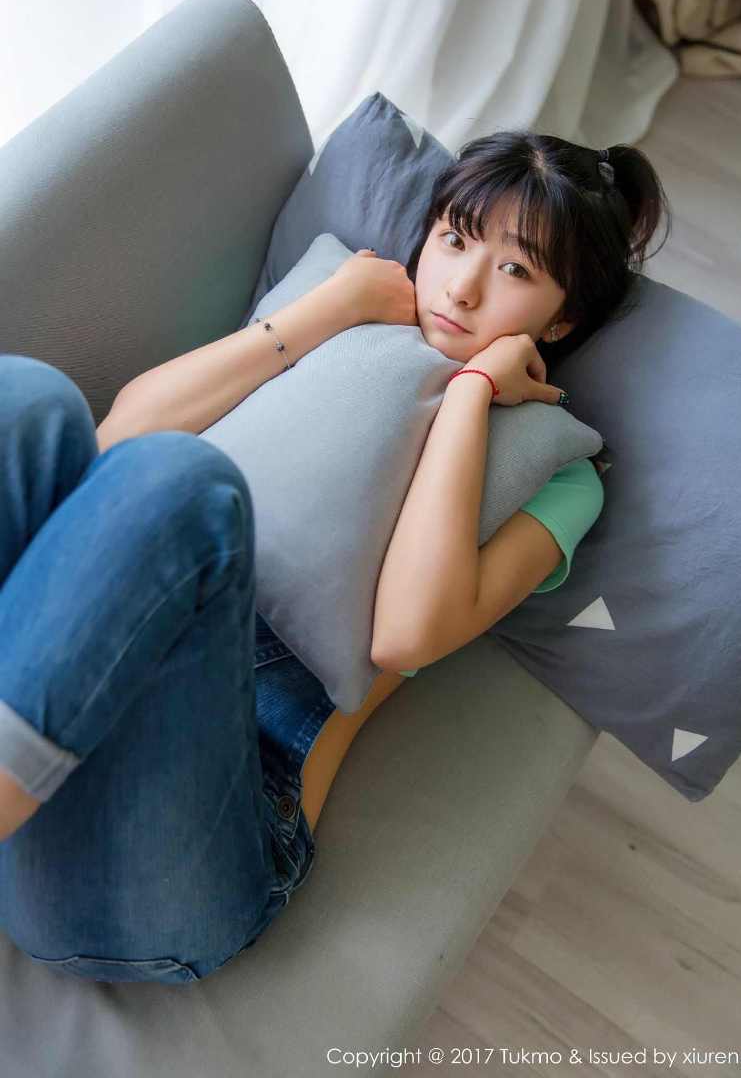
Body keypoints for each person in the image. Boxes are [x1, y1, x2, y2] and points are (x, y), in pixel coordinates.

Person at [0, 130, 670, 985]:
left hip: (186, 854)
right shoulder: (341, 309)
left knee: (184, 488)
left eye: (515, 270)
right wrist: (325, 311)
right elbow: (112, 441)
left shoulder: (563, 477)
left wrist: (469, 396)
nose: (462, 286)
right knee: (30, 403)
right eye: (454, 239)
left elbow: (407, 634)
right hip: (51, 729)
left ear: (562, 317)